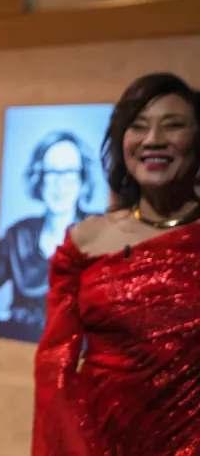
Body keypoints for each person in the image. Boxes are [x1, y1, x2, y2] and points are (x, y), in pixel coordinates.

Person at [33, 73, 200, 456]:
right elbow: (55, 365)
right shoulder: (84, 241)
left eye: (173, 125)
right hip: (96, 440)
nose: (153, 139)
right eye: (137, 127)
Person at [0, 131, 98, 343]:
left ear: (82, 179)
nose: (60, 184)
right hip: (15, 352)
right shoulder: (17, 235)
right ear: (39, 177)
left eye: (69, 172)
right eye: (51, 172)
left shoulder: (101, 231)